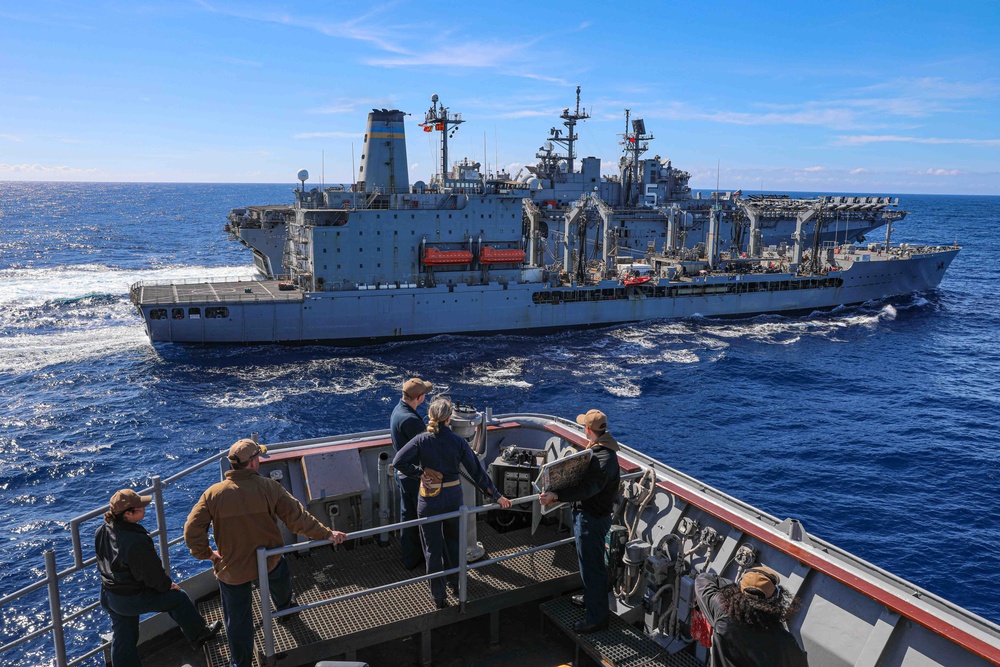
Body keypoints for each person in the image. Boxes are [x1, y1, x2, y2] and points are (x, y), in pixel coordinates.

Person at [183, 439, 348, 667]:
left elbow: (191, 530)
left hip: (233, 568)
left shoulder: (213, 494)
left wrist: (207, 553)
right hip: (268, 559)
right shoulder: (269, 487)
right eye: (258, 457)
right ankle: (285, 610)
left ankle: (240, 663)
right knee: (281, 580)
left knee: (237, 620)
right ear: (252, 463)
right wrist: (327, 533)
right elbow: (297, 519)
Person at [392, 397, 512, 608]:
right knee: (454, 544)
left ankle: (438, 597)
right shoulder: (458, 442)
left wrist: (420, 474)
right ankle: (457, 585)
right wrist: (497, 496)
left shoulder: (421, 439)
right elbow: (478, 472)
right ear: (449, 419)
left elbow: (398, 462)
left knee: (432, 549)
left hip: (429, 500)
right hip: (453, 499)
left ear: (431, 416)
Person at [95, 489, 222, 666]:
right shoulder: (135, 541)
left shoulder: (102, 530)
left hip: (109, 595)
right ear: (129, 514)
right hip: (129, 597)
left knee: (123, 637)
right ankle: (199, 634)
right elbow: (151, 574)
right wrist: (167, 586)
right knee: (178, 598)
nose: (144, 508)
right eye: (140, 507)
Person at [539, 409, 621, 633]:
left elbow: (588, 489)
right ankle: (592, 600)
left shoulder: (603, 459)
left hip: (591, 520)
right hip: (594, 517)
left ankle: (596, 618)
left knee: (591, 568)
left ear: (587, 429)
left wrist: (557, 496)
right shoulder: (604, 453)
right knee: (591, 564)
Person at [694, 566, 809, 667]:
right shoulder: (784, 640)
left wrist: (738, 588)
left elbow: (703, 579)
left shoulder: (722, 613)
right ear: (775, 599)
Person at [389, 377, 433, 569]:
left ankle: (410, 558)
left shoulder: (398, 411)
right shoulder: (411, 420)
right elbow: (426, 449)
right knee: (423, 518)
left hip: (404, 475)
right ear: (420, 398)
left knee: (408, 516)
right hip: (414, 476)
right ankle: (421, 559)